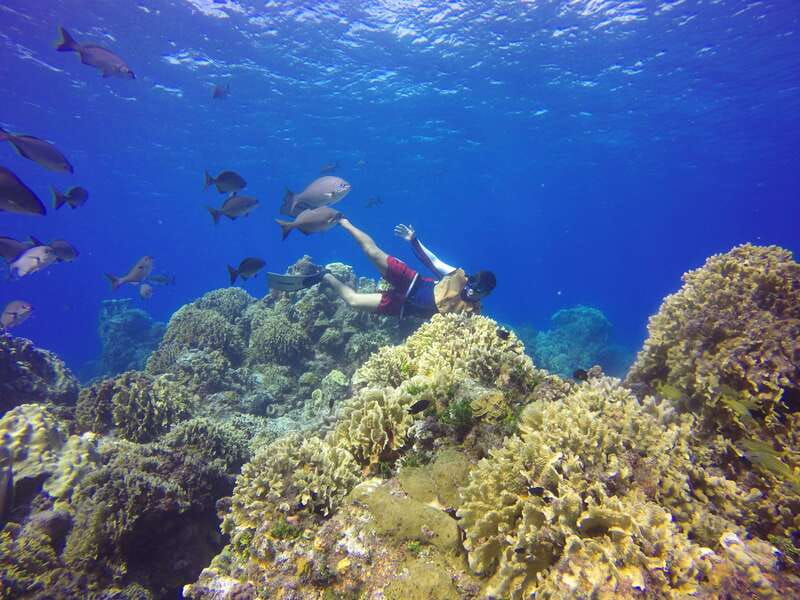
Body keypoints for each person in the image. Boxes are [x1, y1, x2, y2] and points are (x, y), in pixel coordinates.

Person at [317, 218, 495, 318]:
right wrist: (414, 241)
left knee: (354, 301)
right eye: (472, 284)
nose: (471, 290)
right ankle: (343, 221)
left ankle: (324, 276)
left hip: (403, 307)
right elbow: (433, 262)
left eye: (478, 290)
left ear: (485, 294)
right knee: (372, 252)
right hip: (411, 281)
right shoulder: (459, 277)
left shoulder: (473, 313)